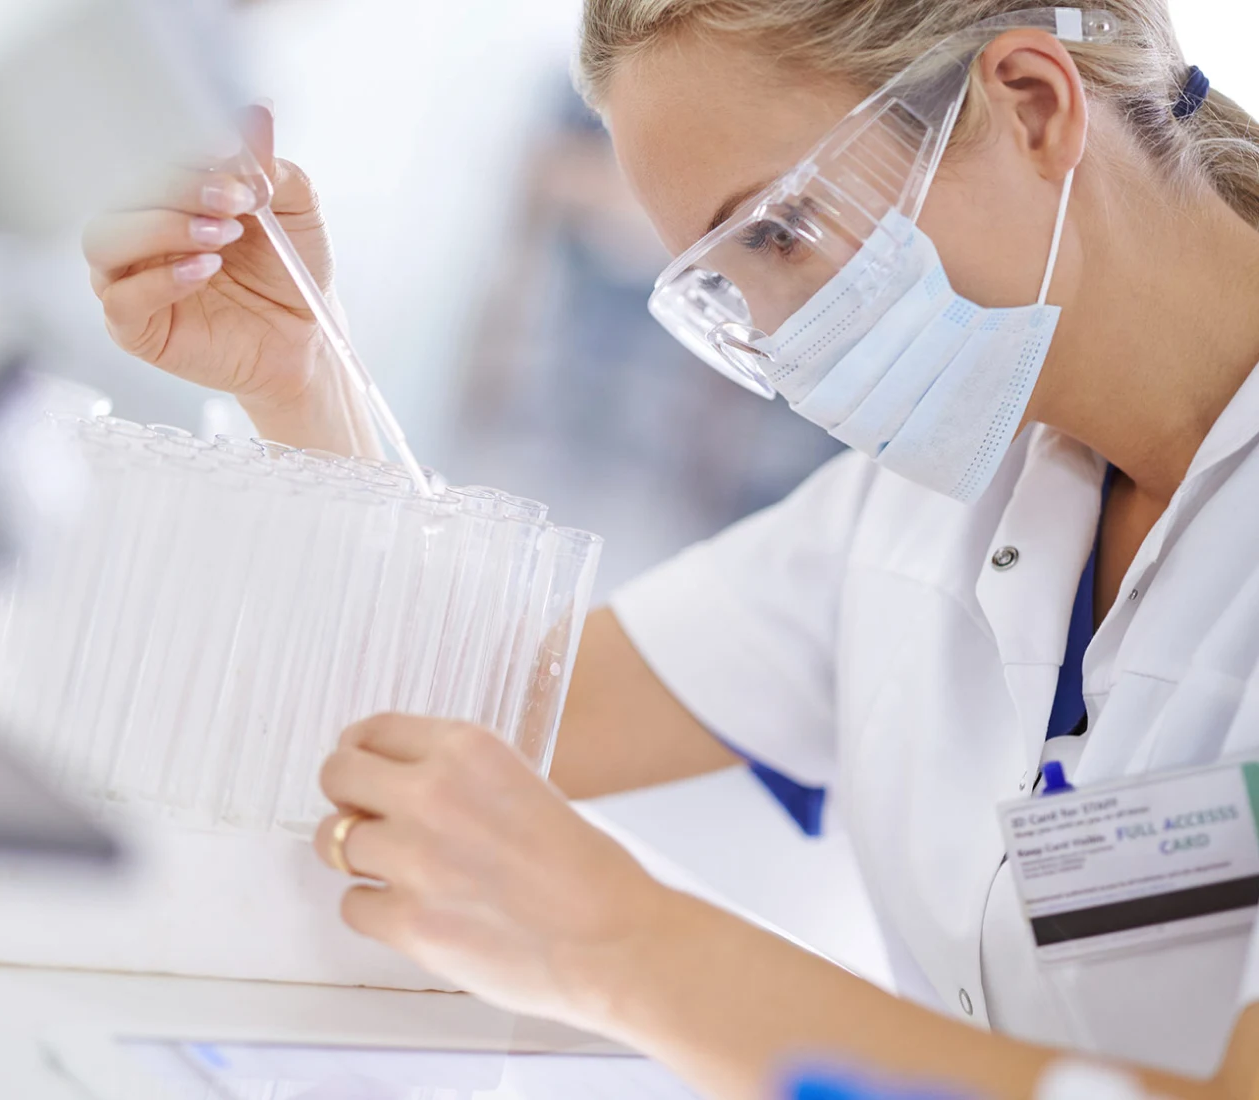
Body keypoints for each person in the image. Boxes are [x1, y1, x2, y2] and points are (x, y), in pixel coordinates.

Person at [82, 1, 1259, 1097]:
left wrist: (620, 940)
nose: (781, 336)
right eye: (725, 282)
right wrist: (305, 377)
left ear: (1031, 104)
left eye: (783, 232)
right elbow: (468, 720)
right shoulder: (940, 502)